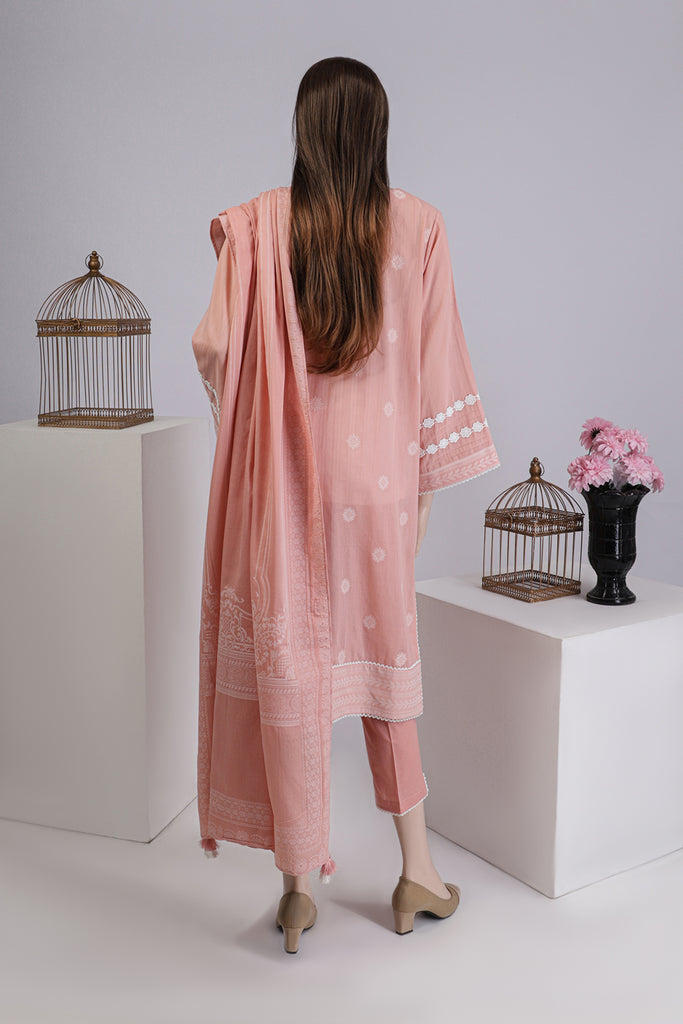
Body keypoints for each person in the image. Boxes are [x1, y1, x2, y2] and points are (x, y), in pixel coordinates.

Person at [191, 56, 500, 954]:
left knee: (293, 670)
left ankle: (296, 891)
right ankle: (417, 872)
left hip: (285, 486)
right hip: (379, 492)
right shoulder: (418, 224)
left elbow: (214, 345)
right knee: (384, 671)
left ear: (304, 130)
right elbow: (436, 362)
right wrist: (421, 490)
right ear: (376, 131)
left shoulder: (262, 224)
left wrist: (251, 421)